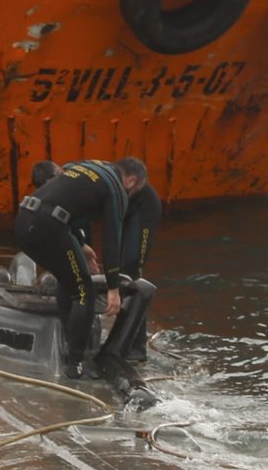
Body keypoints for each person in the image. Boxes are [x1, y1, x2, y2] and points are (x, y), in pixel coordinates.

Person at [12, 157, 161, 376]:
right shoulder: (116, 190)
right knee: (85, 292)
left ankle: (69, 348)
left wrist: (81, 246)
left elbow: (64, 205)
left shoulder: (84, 167)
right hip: (49, 228)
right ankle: (76, 365)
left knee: (69, 281)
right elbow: (111, 240)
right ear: (130, 181)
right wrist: (112, 288)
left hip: (24, 222)